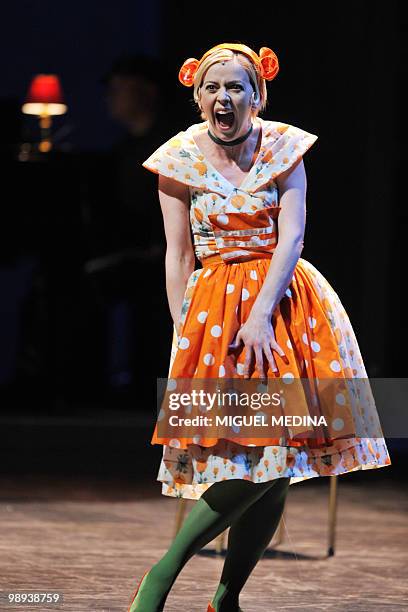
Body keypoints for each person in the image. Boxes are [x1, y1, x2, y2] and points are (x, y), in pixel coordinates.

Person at [127, 43, 392, 612]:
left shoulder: (284, 148)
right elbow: (177, 255)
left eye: (236, 87)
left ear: (257, 95)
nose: (225, 98)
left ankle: (226, 597)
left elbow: (291, 237)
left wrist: (261, 316)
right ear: (198, 97)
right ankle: (161, 576)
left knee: (281, 460)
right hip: (214, 312)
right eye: (213, 88)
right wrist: (183, 329)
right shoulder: (176, 160)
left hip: (286, 309)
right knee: (256, 458)